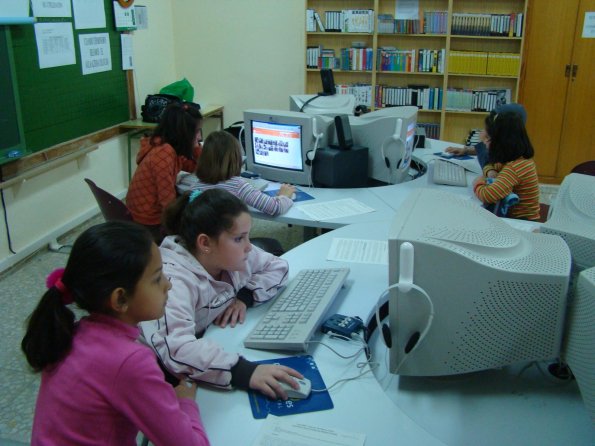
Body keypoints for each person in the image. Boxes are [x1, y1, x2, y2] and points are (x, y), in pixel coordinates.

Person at [21, 221, 209, 446]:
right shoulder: (129, 361)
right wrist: (186, 403)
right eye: (157, 277)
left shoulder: (74, 332)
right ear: (120, 299)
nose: (168, 285)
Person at [143, 188, 303, 400]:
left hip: (203, 337)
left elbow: (278, 267)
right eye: (239, 239)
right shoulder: (173, 281)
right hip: (158, 369)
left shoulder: (233, 256)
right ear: (205, 243)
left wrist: (245, 296)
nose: (249, 247)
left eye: (248, 237)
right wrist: (244, 372)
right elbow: (176, 349)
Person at [126, 103, 203, 242]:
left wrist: (196, 147)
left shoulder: (167, 145)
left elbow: (192, 167)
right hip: (148, 222)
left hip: (144, 215)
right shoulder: (164, 153)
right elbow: (168, 204)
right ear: (184, 133)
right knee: (197, 229)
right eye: (197, 132)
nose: (199, 137)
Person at [181, 130, 296, 216]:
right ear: (236, 159)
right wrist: (284, 195)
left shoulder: (194, 188)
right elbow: (275, 208)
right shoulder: (238, 185)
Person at [472, 110, 541, 221]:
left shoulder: (515, 167)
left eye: (488, 139)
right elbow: (491, 165)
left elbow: (488, 195)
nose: (484, 143)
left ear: (501, 142)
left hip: (522, 222)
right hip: (512, 216)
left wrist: (478, 182)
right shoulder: (514, 157)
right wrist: (489, 171)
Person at [445, 103, 528, 169]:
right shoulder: (512, 142)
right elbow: (488, 150)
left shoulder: (512, 158)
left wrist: (483, 141)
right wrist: (466, 150)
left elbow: (488, 160)